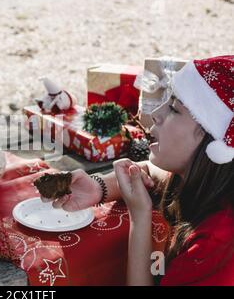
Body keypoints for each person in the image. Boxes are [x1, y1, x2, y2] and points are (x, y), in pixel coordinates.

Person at [43, 55, 234, 286]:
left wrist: (139, 218)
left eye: (174, 109)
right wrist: (98, 187)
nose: (157, 113)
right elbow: (151, 172)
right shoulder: (213, 181)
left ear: (216, 143)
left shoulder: (216, 244)